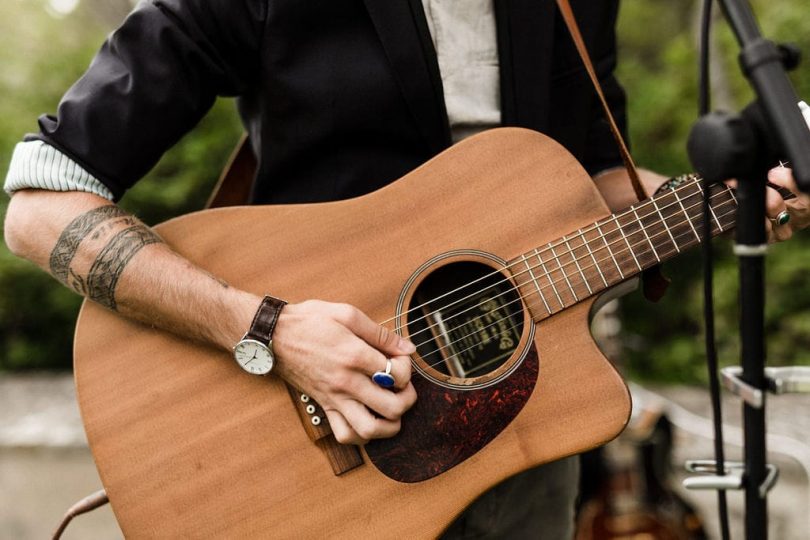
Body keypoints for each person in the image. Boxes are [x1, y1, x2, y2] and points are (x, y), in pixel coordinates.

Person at [3, 1, 808, 537]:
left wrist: (732, 192)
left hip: (524, 436)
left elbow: (592, 181)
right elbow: (40, 205)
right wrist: (266, 331)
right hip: (307, 459)